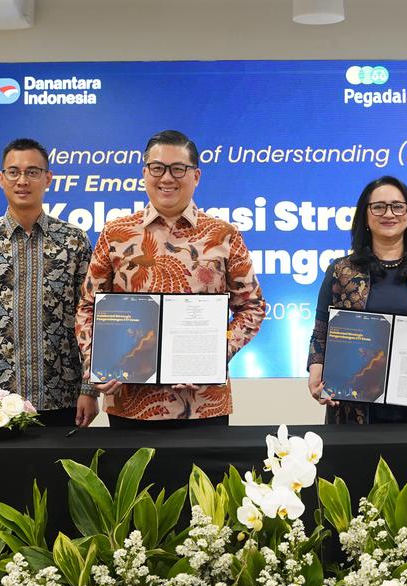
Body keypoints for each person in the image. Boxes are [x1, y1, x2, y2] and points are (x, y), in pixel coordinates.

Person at [75, 130, 266, 427]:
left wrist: (218, 349)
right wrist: (96, 360)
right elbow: (88, 307)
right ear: (144, 173)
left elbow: (252, 307)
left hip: (204, 404)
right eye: (157, 168)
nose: (166, 178)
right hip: (130, 404)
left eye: (178, 169)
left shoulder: (223, 235)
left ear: (196, 176)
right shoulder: (115, 234)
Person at [0, 138, 98, 427]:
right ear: (1, 178)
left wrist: (89, 388)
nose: (22, 181)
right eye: (13, 172)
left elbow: (89, 315)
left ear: (48, 178)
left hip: (62, 395)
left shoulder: (74, 240)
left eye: (32, 172)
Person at [306, 176, 407, 423]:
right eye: (378, 207)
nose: (389, 214)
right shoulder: (340, 271)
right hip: (352, 410)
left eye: (397, 206)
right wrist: (316, 373)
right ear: (365, 216)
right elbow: (321, 331)